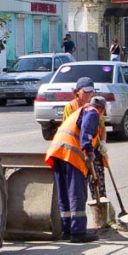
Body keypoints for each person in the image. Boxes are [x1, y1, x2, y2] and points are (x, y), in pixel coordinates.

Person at [45, 90, 105, 243]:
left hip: (58, 153)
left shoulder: (80, 111)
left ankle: (67, 230)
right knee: (76, 192)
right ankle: (78, 233)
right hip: (71, 156)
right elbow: (86, 130)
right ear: (102, 110)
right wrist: (89, 150)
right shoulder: (92, 112)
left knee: (64, 192)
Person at [63, 78, 108, 203]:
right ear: (77, 91)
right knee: (79, 189)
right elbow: (73, 129)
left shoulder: (94, 105)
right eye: (86, 91)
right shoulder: (71, 107)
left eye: (91, 92)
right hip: (78, 152)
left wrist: (103, 143)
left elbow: (102, 127)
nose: (88, 95)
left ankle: (100, 216)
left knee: (98, 186)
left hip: (94, 150)